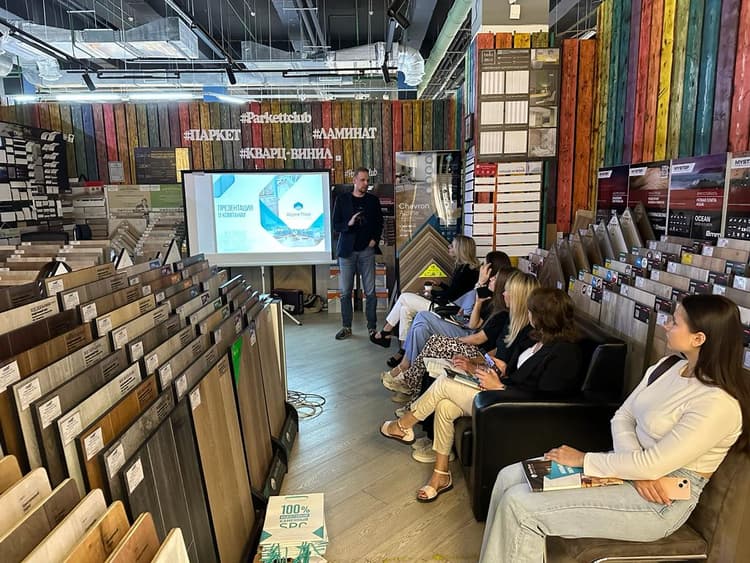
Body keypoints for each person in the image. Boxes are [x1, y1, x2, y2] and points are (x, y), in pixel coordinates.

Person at [479, 294, 749, 563]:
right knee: (508, 477)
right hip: (629, 468)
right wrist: (637, 469)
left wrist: (587, 460)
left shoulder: (717, 403)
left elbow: (654, 465)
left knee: (521, 507)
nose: (666, 325)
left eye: (675, 322)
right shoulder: (667, 367)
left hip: (659, 501)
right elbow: (622, 417)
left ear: (698, 338)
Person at [380, 287, 581, 501]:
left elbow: (544, 401)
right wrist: (499, 370)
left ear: (543, 316)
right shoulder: (536, 339)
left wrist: (500, 388)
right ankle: (441, 474)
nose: (528, 314)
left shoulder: (565, 352)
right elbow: (518, 374)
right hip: (502, 394)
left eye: (532, 311)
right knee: (445, 405)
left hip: (513, 407)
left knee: (444, 384)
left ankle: (403, 425)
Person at [382, 270, 536, 402]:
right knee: (421, 326)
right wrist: (478, 301)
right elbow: (474, 324)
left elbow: (480, 338)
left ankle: (407, 376)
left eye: (495, 278)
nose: (490, 278)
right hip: (479, 350)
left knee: (425, 324)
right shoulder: (498, 308)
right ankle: (410, 381)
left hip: (478, 350)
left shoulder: (505, 316)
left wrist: (454, 343)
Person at [390, 251, 512, 371]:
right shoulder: (485, 291)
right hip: (461, 320)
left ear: (491, 270)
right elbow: (471, 320)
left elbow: (476, 331)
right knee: (419, 327)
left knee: (413, 307)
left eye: (484, 265)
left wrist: (479, 285)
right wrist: (478, 297)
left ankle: (402, 359)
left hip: (466, 331)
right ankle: (408, 369)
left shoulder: (494, 300)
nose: (481, 267)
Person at [369, 235, 480, 349]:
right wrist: (440, 285)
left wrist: (432, 293)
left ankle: (385, 332)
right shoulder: (465, 268)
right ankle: (404, 350)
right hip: (447, 306)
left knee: (404, 297)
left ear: (460, 249)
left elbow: (452, 296)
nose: (449, 246)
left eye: (452, 245)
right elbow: (456, 292)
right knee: (405, 309)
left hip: (448, 310)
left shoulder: (467, 272)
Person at [332, 168, 384, 340]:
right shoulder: (342, 199)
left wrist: (375, 239)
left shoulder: (373, 201)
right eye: (362, 180)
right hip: (347, 251)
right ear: (354, 180)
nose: (365, 183)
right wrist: (349, 223)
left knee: (370, 291)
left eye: (367, 180)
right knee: (346, 292)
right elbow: (336, 225)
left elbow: (379, 223)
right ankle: (346, 327)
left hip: (366, 250)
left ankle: (372, 327)